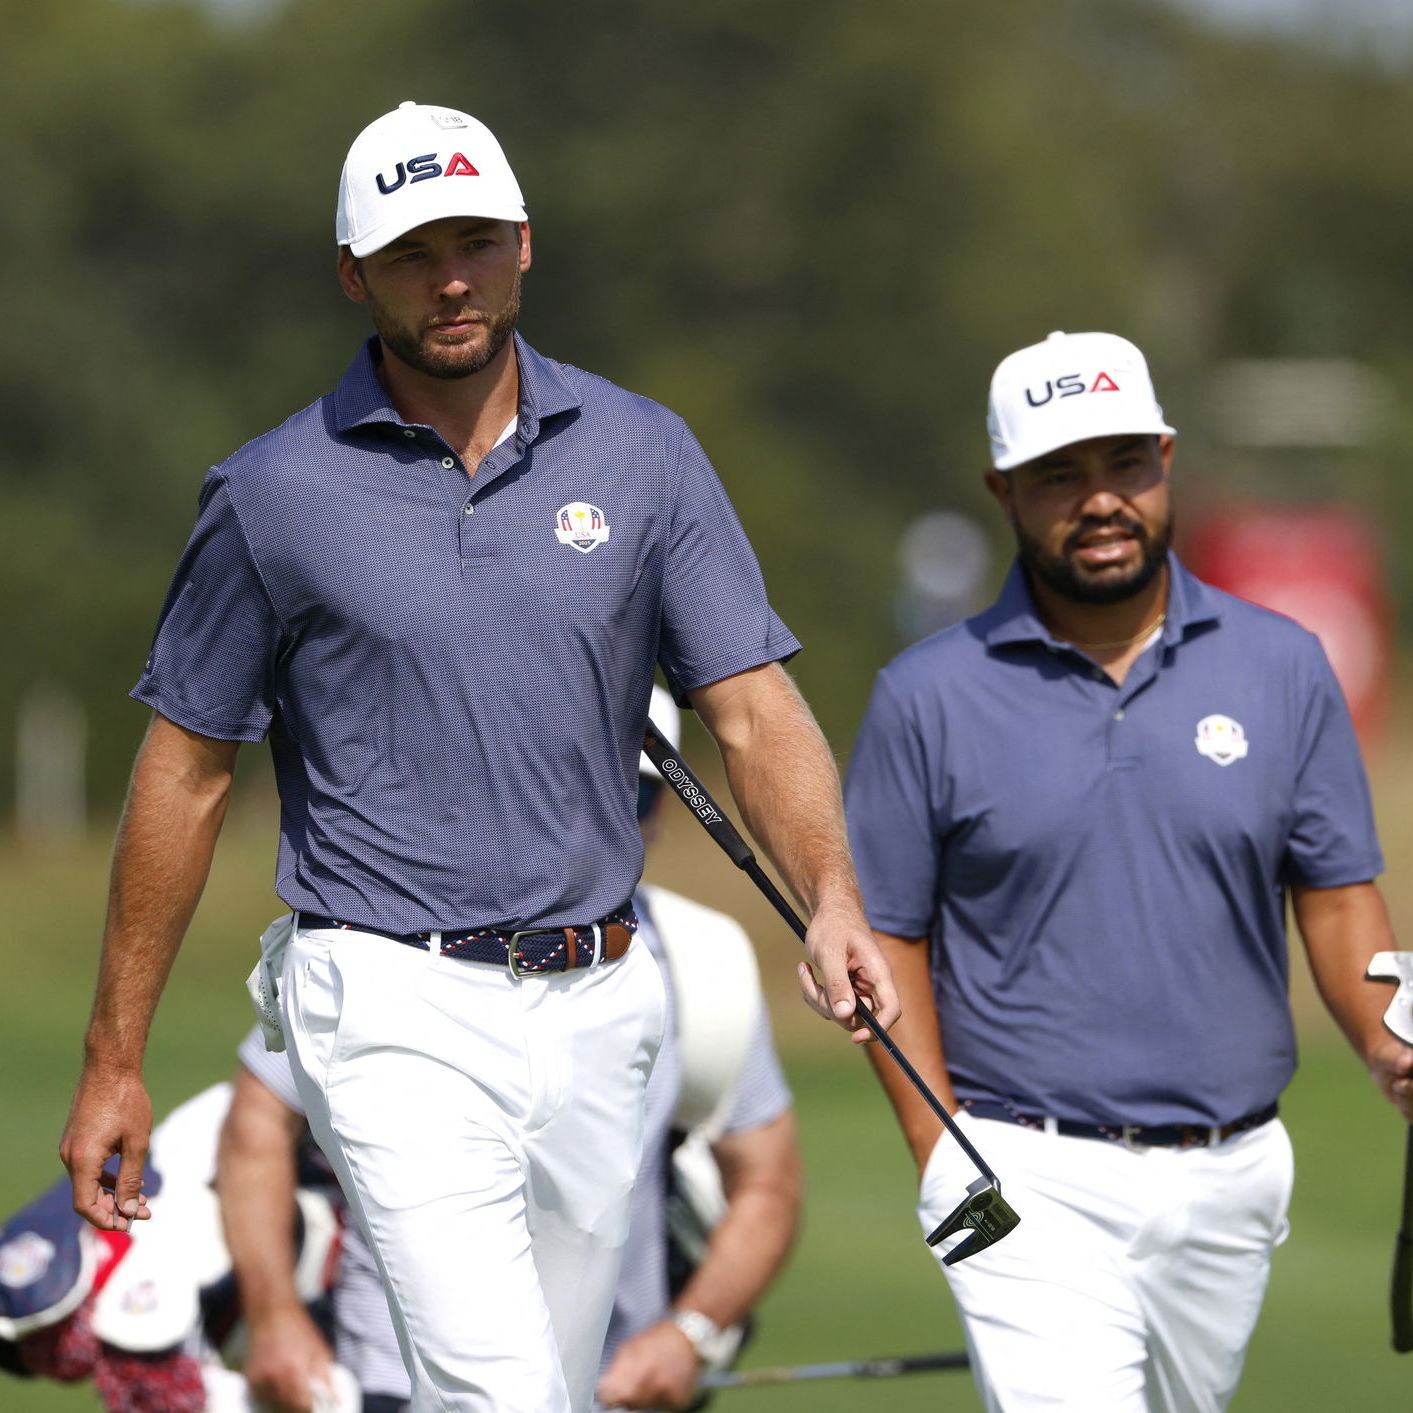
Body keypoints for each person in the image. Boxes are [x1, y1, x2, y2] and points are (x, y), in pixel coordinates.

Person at [60, 99, 895, 1413]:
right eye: (408, 252)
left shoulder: (643, 453)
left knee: (536, 1389)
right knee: (502, 1393)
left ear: (522, 245)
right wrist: (117, 1053)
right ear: (354, 275)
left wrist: (834, 892)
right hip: (388, 996)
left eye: (471, 242)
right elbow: (186, 770)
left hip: (605, 999)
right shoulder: (274, 491)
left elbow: (750, 707)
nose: (446, 277)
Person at [843, 329, 1413, 1412]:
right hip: (1023, 1165)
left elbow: (1337, 896)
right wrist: (941, 1150)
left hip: (1235, 1173)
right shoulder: (927, 696)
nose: (1099, 499)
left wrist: (1391, 1047)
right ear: (1003, 488)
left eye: (1123, 465)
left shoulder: (1283, 665)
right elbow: (890, 941)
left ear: (1165, 457)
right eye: (1059, 474)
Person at [220, 689, 803, 1413]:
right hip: (394, 1386)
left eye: (637, 794)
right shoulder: (394, 930)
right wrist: (274, 1314)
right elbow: (256, 1125)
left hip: (604, 1386)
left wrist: (688, 1330)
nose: (605, 809)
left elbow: (767, 1182)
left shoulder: (696, 959)